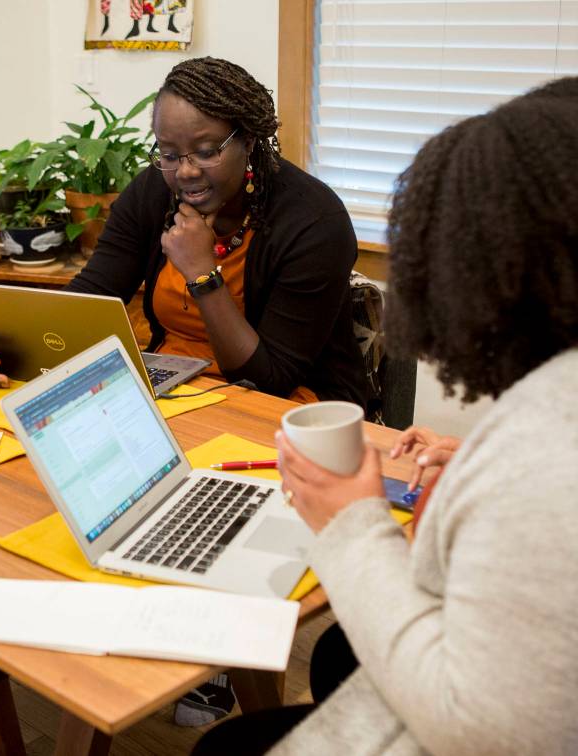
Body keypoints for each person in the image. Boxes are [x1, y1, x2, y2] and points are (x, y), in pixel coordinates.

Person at [193, 80, 578, 754]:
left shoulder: (549, 463)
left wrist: (353, 521)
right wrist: (478, 460)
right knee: (340, 653)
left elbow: (479, 729)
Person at [0, 57, 366, 409]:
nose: (185, 172)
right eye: (169, 154)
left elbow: (269, 380)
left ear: (247, 140)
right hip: (172, 390)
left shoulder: (313, 222)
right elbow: (93, 295)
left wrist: (202, 274)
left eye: (208, 151)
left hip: (290, 407)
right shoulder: (153, 192)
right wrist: (11, 341)